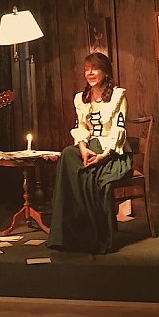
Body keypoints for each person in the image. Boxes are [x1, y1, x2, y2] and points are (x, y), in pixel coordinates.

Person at [47, 52, 131, 254]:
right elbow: (81, 128)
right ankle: (68, 234)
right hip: (90, 147)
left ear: (105, 72)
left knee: (89, 175)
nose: (90, 73)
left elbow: (119, 129)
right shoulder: (81, 99)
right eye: (86, 69)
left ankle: (95, 235)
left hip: (113, 152)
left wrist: (104, 154)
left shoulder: (118, 96)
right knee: (68, 154)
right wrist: (83, 148)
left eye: (94, 68)